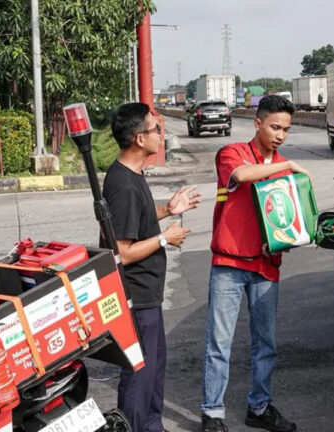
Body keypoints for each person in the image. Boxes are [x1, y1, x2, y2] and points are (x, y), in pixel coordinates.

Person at [201, 95, 309, 432]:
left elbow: (288, 218)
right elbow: (243, 175)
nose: (280, 135)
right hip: (229, 264)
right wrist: (287, 166)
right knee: (220, 344)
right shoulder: (232, 153)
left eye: (286, 130)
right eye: (275, 127)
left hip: (265, 266)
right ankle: (212, 413)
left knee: (266, 344)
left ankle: (259, 407)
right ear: (258, 123)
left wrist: (284, 239)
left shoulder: (281, 165)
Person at [104, 102, 200, 432]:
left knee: (154, 372)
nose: (161, 133)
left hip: (148, 296)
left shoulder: (132, 175)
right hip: (136, 298)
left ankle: (152, 427)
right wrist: (165, 239)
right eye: (155, 128)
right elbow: (122, 252)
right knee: (139, 377)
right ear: (138, 139)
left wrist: (167, 210)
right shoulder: (123, 186)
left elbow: (136, 222)